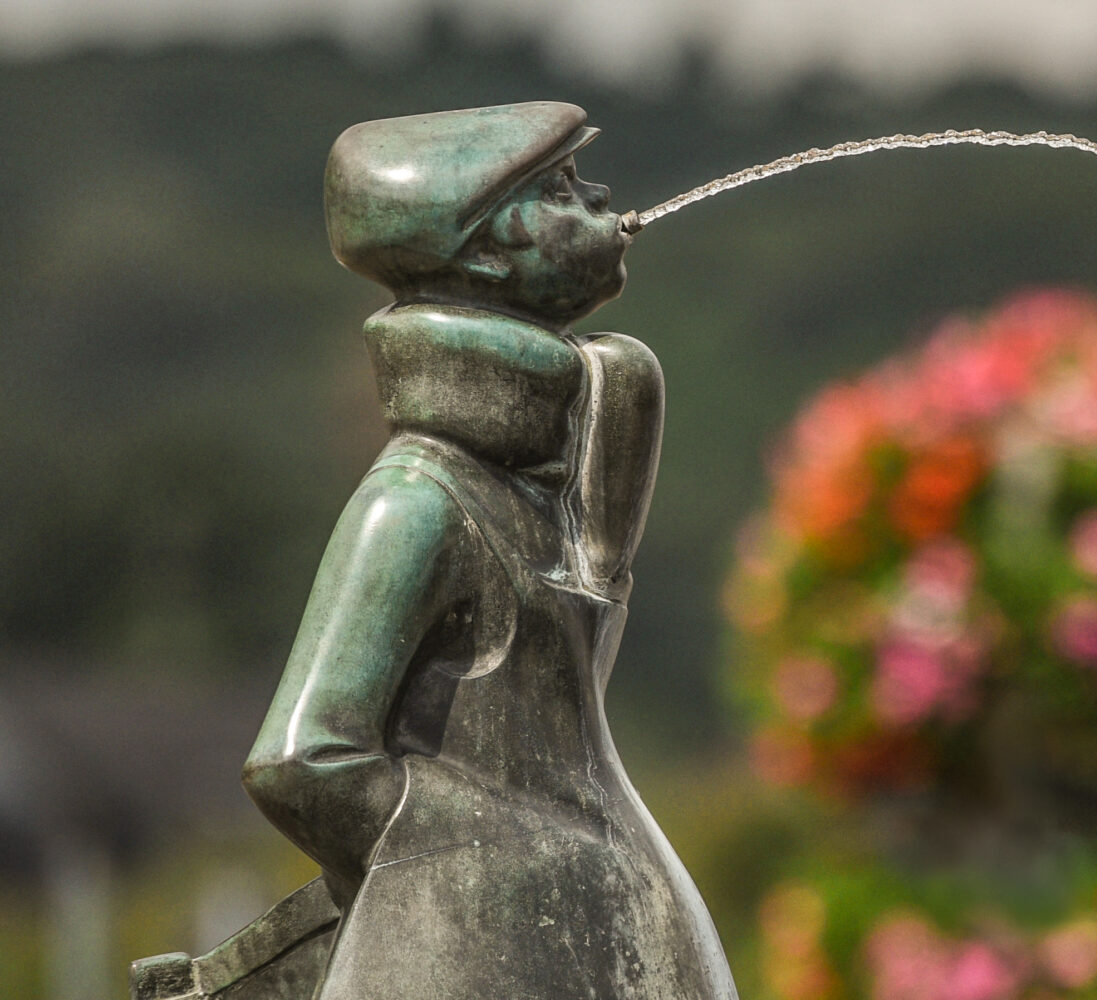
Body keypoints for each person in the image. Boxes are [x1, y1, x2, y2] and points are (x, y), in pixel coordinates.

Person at [161, 102, 739, 1000]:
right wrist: (492, 859)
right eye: (559, 189)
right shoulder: (417, 501)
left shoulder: (534, 490)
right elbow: (300, 761)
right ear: (485, 253)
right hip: (478, 955)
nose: (603, 198)